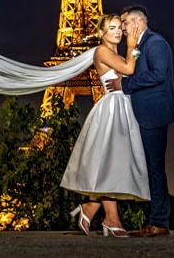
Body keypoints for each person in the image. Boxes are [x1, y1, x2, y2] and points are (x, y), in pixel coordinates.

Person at [60, 13, 149, 237]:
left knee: (115, 164)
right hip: (112, 110)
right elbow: (129, 70)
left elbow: (131, 70)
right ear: (101, 33)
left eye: (120, 27)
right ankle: (111, 218)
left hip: (122, 108)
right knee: (113, 163)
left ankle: (93, 208)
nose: (118, 31)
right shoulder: (101, 51)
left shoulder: (114, 53)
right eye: (111, 28)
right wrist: (132, 44)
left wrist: (132, 50)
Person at [111, 5, 174, 237]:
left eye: (125, 23)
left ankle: (159, 222)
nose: (123, 28)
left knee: (155, 169)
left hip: (153, 113)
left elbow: (158, 74)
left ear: (138, 22)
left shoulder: (155, 43)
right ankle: (156, 220)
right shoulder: (142, 45)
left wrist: (126, 85)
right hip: (145, 112)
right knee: (150, 168)